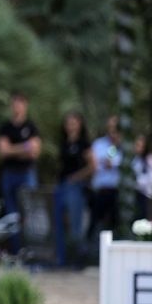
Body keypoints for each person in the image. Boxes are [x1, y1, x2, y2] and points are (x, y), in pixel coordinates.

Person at [0, 92, 41, 252]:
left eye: (20, 103)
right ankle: (16, 252)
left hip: (27, 173)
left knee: (29, 212)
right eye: (14, 103)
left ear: (25, 105)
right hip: (9, 174)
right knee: (12, 214)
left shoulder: (31, 127)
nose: (17, 106)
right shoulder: (5, 127)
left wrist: (12, 149)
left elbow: (34, 151)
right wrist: (24, 147)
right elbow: (3, 151)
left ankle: (30, 250)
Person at [53, 112, 94, 267]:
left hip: (76, 187)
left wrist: (76, 177)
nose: (70, 125)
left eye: (74, 122)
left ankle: (80, 258)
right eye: (68, 122)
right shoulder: (64, 142)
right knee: (59, 222)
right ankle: (61, 258)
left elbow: (93, 166)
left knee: (76, 225)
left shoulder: (84, 144)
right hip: (62, 186)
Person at [88, 114, 123, 236]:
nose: (112, 130)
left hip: (119, 193)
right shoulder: (99, 144)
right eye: (110, 127)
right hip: (101, 191)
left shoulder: (126, 145)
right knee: (96, 224)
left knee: (116, 224)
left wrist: (113, 163)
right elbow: (95, 164)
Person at [131, 135, 152, 222]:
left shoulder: (151, 160)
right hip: (136, 195)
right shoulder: (135, 159)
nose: (136, 147)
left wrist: (137, 182)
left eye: (139, 145)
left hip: (147, 195)